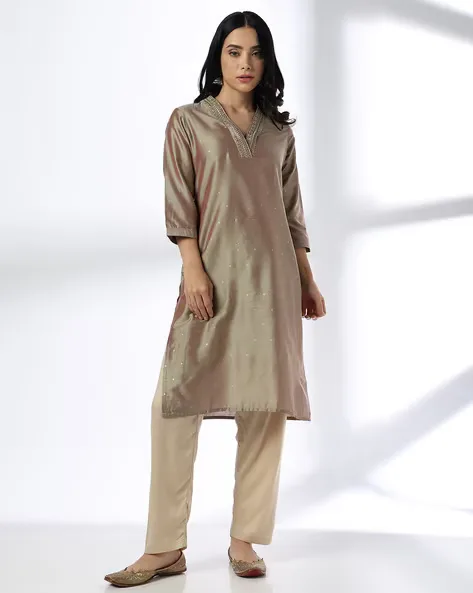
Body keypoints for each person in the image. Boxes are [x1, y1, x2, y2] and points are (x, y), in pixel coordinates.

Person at [104, 10, 326, 587]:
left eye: (256, 52)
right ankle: (163, 547)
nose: (245, 63)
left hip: (274, 282)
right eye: (234, 51)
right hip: (212, 280)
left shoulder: (279, 133)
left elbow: (292, 211)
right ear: (218, 58)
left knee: (264, 408)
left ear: (267, 61)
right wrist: (192, 268)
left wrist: (307, 278)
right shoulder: (189, 122)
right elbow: (180, 200)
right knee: (173, 404)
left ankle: (244, 539)